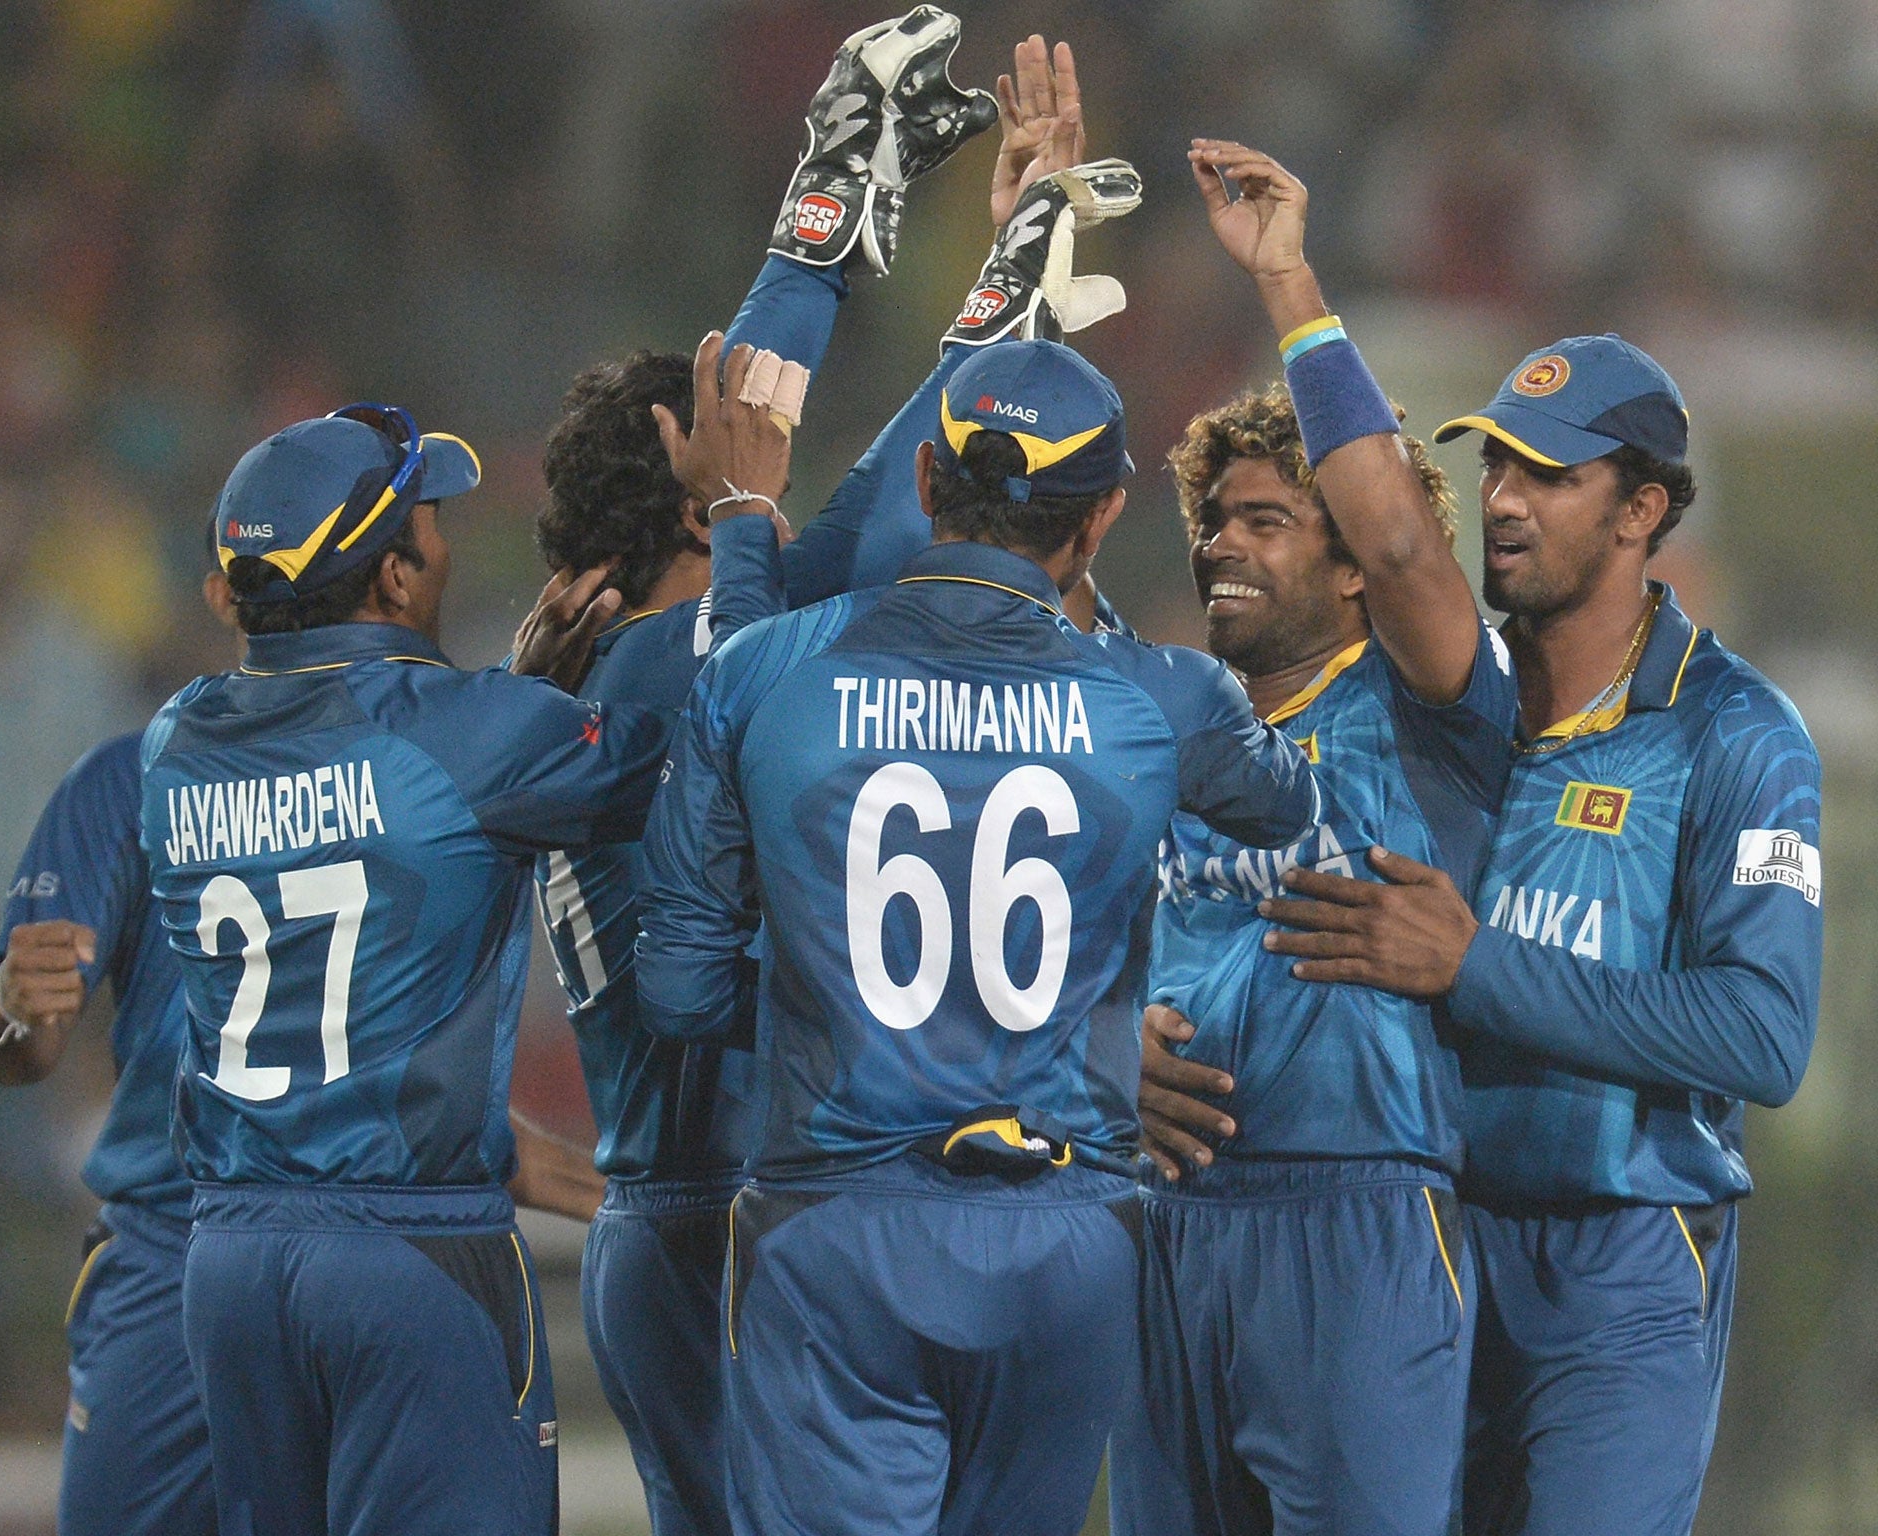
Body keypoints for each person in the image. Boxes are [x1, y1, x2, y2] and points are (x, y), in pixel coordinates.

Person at [541, 22, 1129, 1534]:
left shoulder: (617, 662)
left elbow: (894, 500)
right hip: (744, 1204)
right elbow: (905, 495)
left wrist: (1008, 265)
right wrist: (838, 224)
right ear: (687, 475)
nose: (764, 462)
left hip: (673, 1203)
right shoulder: (695, 660)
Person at [636, 336, 1322, 1536]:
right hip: (1066, 1238)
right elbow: (1281, 802)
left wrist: (826, 955)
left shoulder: (760, 672)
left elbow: (680, 996)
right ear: (1102, 518)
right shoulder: (1158, 698)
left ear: (919, 487)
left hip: (832, 1231)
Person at [1259, 333, 1823, 1529]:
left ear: (1641, 510)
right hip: (1417, 1246)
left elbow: (1762, 1034)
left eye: (1546, 477)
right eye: (1494, 469)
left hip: (1623, 1265)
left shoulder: (1735, 735)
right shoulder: (1432, 702)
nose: (1501, 503)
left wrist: (1475, 966)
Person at [0, 532, 610, 1536]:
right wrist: (7, 1001)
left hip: (262, 1250)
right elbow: (24, 1043)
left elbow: (390, 1087)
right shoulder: (133, 780)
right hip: (200, 1244)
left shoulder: (202, 767)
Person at [139, 404, 674, 1535]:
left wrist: (506, 702)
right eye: (429, 524)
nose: (445, 544)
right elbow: (700, 751)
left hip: (231, 1262)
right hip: (408, 1258)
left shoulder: (175, 741)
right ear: (391, 577)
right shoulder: (472, 734)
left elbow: (364, 758)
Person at [1106, 140, 1521, 1536]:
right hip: (1164, 1221)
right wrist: (1109, 1056)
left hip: (1357, 1218)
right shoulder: (1163, 722)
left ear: (1346, 559)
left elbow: (1413, 553)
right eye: (1214, 519)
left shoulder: (1431, 712)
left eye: (1268, 520)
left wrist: (1286, 282)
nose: (1223, 542)